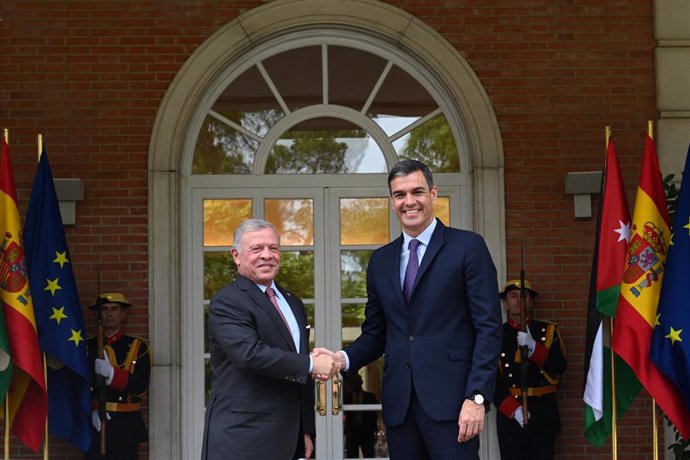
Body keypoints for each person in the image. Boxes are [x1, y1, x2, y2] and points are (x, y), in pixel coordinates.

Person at [317, 160, 503, 459]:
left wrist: (477, 397)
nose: (409, 201)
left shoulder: (467, 247)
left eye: (417, 191)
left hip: (454, 406)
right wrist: (342, 358)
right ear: (392, 202)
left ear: (433, 193)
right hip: (400, 409)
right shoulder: (381, 261)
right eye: (400, 195)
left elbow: (489, 328)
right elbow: (377, 333)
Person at [200, 219, 338, 460]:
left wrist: (306, 430)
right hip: (243, 438)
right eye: (256, 249)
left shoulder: (292, 301)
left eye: (273, 248)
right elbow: (249, 355)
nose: (267, 255)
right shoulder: (227, 301)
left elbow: (298, 374)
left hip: (290, 438)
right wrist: (310, 364)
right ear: (236, 255)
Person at [493, 279, 567, 460]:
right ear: (505, 303)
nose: (519, 300)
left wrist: (534, 348)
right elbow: (491, 381)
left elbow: (560, 366)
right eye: (513, 296)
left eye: (524, 296)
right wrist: (513, 409)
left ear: (531, 301)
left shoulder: (547, 330)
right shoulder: (496, 335)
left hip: (543, 415)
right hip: (511, 417)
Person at [85, 292, 151, 460]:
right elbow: (79, 383)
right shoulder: (87, 347)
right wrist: (92, 409)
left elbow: (140, 386)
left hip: (125, 426)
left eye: (114, 309)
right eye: (104, 309)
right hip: (95, 423)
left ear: (123, 315)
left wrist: (113, 374)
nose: (109, 313)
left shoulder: (138, 347)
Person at [343, 373, 379, 458]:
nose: (356, 383)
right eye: (353, 381)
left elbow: (374, 415)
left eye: (357, 381)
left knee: (369, 455)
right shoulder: (346, 398)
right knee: (351, 456)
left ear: (361, 382)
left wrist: (373, 430)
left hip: (367, 433)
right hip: (351, 434)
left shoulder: (370, 397)